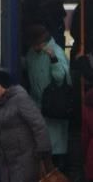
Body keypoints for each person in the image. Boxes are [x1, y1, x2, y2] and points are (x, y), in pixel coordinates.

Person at [22, 24, 71, 171]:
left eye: (38, 44)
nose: (36, 47)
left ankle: (56, 174)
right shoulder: (32, 53)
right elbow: (27, 66)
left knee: (54, 147)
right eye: (34, 44)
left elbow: (60, 77)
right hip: (39, 105)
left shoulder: (56, 52)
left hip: (54, 106)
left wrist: (53, 59)